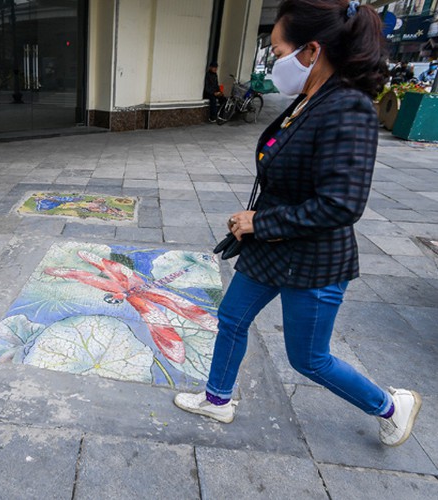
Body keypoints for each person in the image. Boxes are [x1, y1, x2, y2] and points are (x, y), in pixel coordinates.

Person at [174, 0, 422, 447]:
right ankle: (217, 399)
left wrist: (260, 222)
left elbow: (341, 205)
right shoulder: (307, 100)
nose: (273, 62)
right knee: (231, 317)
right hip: (272, 249)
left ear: (311, 50)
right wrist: (254, 220)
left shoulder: (348, 107)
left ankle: (389, 406)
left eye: (277, 50)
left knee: (308, 358)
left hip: (313, 260)